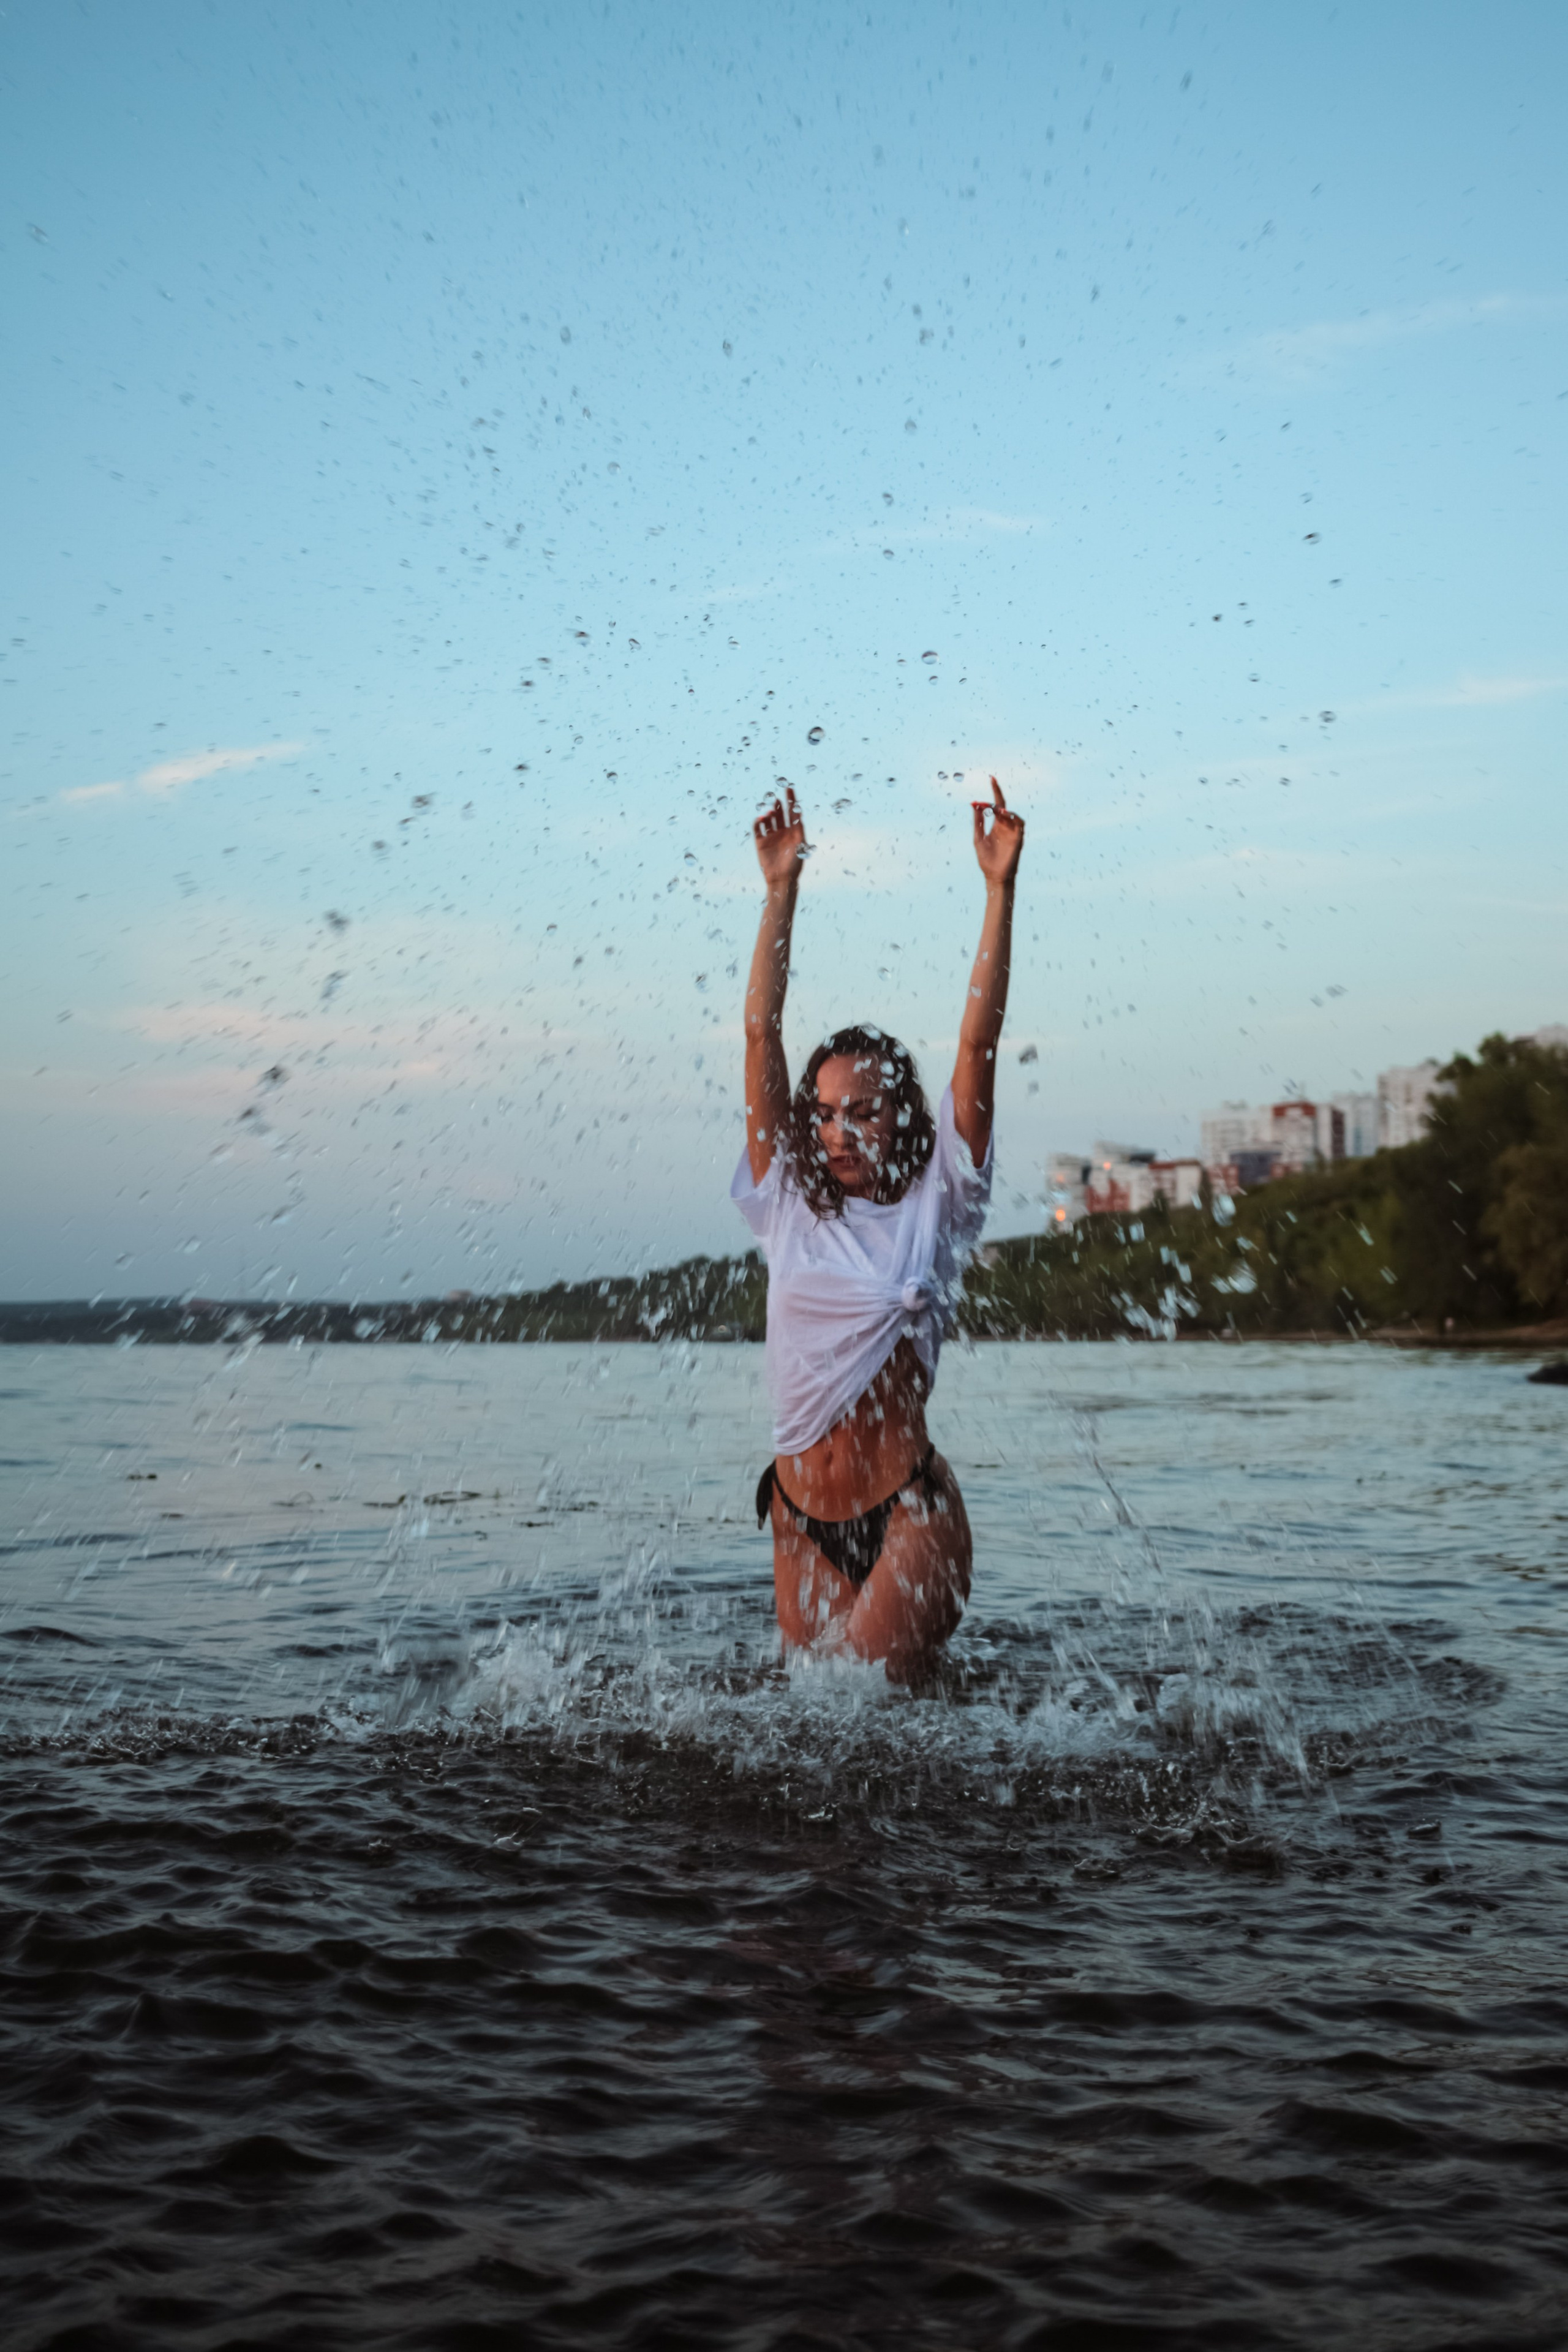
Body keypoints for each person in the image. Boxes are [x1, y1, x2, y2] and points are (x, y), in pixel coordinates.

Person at [733, 777, 1025, 1681]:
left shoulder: (943, 1198)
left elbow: (977, 1047)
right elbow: (759, 1034)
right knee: (819, 1760)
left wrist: (999, 893)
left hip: (908, 1512)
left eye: (861, 1111)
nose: (837, 1130)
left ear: (900, 1115)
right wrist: (781, 894)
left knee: (867, 1727)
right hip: (796, 1516)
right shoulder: (787, 1196)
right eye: (822, 1113)